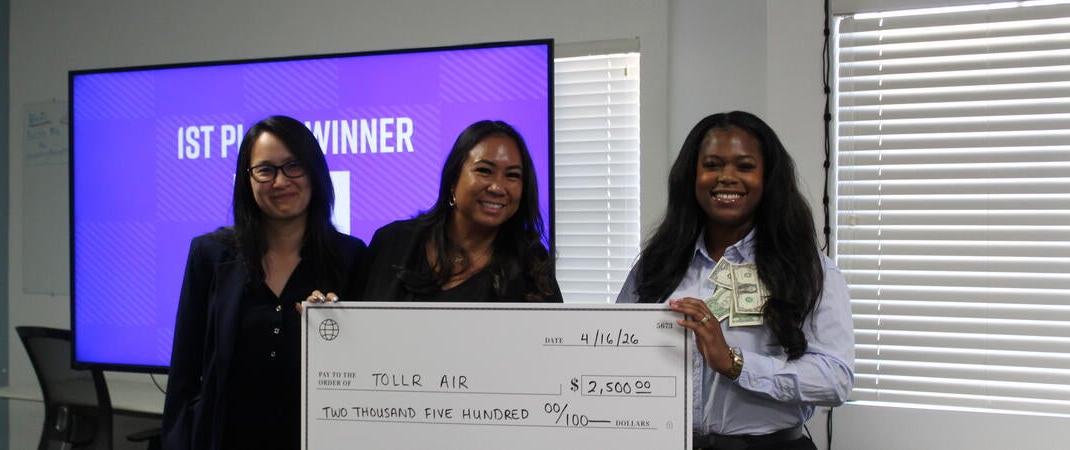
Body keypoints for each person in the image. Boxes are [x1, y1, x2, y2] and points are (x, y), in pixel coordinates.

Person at [617, 111, 854, 450]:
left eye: (744, 166)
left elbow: (836, 379)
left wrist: (734, 362)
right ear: (692, 175)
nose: (726, 177)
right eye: (712, 165)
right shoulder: (655, 266)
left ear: (767, 177)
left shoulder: (809, 269)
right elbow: (617, 352)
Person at [161, 116, 365, 450]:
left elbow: (364, 365)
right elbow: (184, 372)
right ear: (248, 180)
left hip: (316, 438)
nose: (280, 181)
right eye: (265, 170)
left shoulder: (351, 257)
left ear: (314, 172)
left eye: (293, 166)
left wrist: (335, 332)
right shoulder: (210, 254)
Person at [351, 119, 562, 302]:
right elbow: (351, 327)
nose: (498, 187)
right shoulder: (392, 242)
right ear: (453, 179)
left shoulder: (533, 266)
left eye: (512, 176)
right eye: (484, 171)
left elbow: (553, 342)